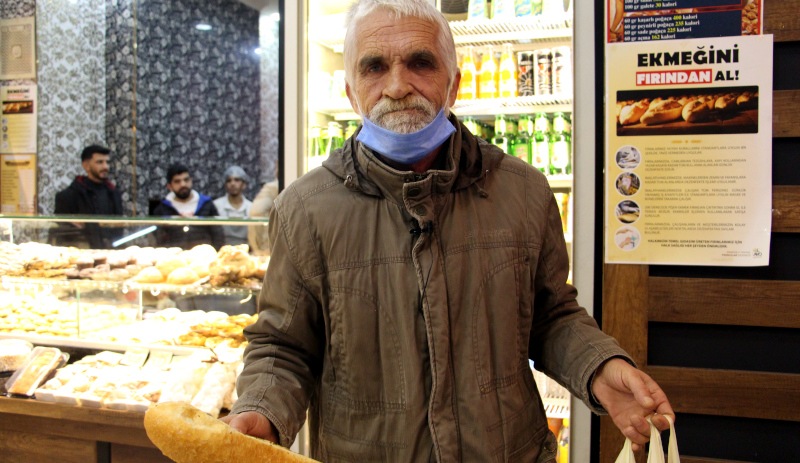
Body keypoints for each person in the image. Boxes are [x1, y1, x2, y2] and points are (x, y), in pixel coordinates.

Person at [224, 1, 674, 461]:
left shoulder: (523, 191)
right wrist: (262, 409)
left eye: (420, 62)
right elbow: (284, 346)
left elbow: (550, 315)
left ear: (454, 83)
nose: (398, 86)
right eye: (374, 67)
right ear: (350, 92)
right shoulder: (304, 208)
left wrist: (600, 367)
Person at [52, 144, 124, 248]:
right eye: (100, 162)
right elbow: (63, 233)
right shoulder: (69, 196)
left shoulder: (114, 193)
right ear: (86, 165)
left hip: (111, 252)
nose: (105, 167)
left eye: (107, 162)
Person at [150, 163, 224, 250]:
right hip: (174, 259)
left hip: (203, 258)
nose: (183, 184)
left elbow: (218, 235)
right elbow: (157, 240)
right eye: (177, 181)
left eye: (186, 180)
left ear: (191, 180)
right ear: (169, 186)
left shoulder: (207, 204)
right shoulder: (161, 209)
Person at [213, 165, 253, 246]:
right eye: (229, 180)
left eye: (237, 180)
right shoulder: (216, 205)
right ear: (225, 185)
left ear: (244, 184)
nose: (233, 183)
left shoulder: (251, 207)